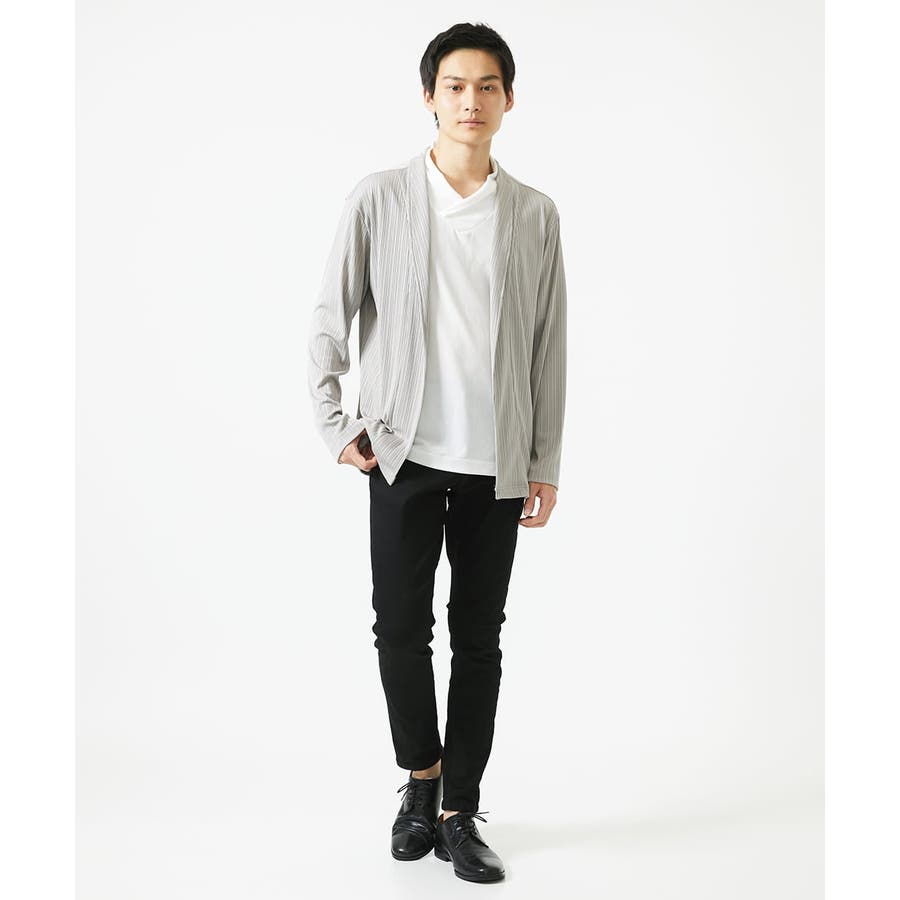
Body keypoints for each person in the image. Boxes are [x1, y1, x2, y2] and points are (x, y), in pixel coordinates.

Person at [307, 21, 567, 884]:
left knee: (478, 637)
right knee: (398, 627)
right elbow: (330, 313)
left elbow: (548, 346)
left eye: (487, 86)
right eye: (454, 85)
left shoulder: (534, 213)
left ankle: (460, 808)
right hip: (402, 453)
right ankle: (420, 781)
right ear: (429, 96)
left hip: (496, 462)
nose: (470, 100)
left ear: (508, 99)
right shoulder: (380, 197)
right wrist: (336, 420)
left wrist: (543, 459)